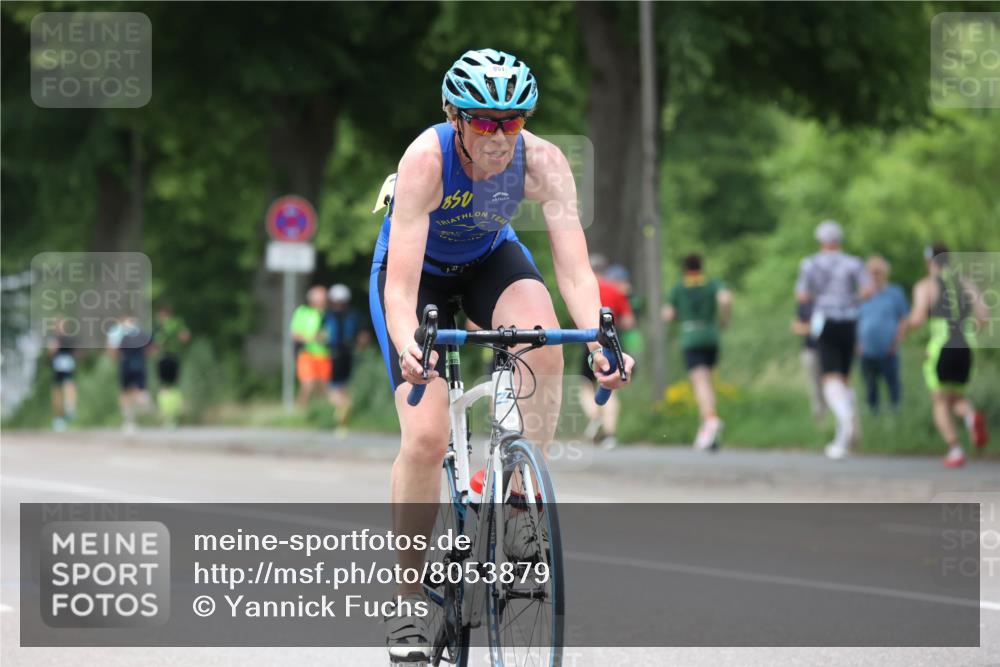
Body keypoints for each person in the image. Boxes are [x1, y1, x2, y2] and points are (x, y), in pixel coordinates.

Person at [369, 48, 634, 662]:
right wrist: (410, 346)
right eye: (484, 121)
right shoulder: (426, 160)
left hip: (490, 261)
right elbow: (400, 289)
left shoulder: (543, 162)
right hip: (419, 278)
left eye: (511, 121)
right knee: (426, 436)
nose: (498, 136)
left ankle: (518, 505)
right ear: (454, 117)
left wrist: (601, 340)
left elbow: (575, 269)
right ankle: (407, 602)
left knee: (544, 342)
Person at [795, 220, 873, 460]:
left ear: (821, 241)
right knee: (845, 378)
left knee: (830, 378)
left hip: (825, 320)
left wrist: (822, 298)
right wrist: (850, 299)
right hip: (849, 320)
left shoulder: (810, 263)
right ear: (839, 240)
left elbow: (802, 295)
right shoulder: (853, 262)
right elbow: (868, 290)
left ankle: (844, 417)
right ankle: (843, 437)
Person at [906, 244, 989, 467]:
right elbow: (984, 316)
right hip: (966, 344)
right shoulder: (965, 283)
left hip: (942, 345)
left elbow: (917, 319)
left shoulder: (926, 285)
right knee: (956, 397)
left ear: (928, 261)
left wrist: (903, 326)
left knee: (940, 400)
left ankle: (955, 449)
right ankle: (970, 416)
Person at [662, 253, 732, 451]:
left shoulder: (679, 288)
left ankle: (710, 419)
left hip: (691, 336)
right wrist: (724, 320)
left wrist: (677, 318)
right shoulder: (711, 284)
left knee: (700, 382)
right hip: (710, 335)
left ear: (684, 268)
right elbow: (725, 299)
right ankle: (708, 430)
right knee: (708, 381)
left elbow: (668, 314)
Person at [578, 262, 636, 449]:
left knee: (585, 384)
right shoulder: (616, 291)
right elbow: (628, 322)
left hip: (590, 340)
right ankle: (609, 434)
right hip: (613, 342)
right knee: (610, 385)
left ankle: (594, 416)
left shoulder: (584, 290)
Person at [857, 255, 909, 413]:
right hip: (866, 350)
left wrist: (896, 341)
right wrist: (856, 343)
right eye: (871, 272)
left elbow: (903, 319)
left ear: (885, 273)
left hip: (889, 349)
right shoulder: (861, 295)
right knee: (870, 386)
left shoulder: (895, 293)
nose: (874, 275)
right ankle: (873, 415)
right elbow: (853, 320)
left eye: (878, 272)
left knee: (893, 385)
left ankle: (896, 414)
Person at [323, 283, 368, 435]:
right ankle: (343, 408)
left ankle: (341, 409)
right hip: (339, 353)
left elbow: (362, 335)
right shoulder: (338, 315)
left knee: (335, 386)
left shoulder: (329, 315)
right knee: (340, 385)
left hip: (340, 353)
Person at [106, 315, 151, 435]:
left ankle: (129, 419)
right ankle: (143, 400)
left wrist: (114, 359)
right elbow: (150, 347)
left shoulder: (117, 331)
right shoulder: (140, 331)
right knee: (139, 389)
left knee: (125, 392)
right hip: (140, 363)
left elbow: (112, 348)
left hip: (125, 363)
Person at [290, 285, 331, 406]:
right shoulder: (302, 311)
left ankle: (317, 412)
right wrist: (311, 339)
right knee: (308, 384)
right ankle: (300, 410)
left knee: (323, 388)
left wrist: (324, 337)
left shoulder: (328, 314)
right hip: (306, 354)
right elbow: (295, 334)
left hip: (324, 355)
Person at [152, 304, 191, 427]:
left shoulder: (159, 325)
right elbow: (185, 336)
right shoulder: (177, 322)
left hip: (163, 356)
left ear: (162, 313)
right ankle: (176, 413)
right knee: (174, 386)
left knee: (164, 386)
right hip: (175, 356)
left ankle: (166, 414)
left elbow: (156, 343)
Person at [792, 301, 827, 424]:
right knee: (814, 387)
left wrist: (809, 327)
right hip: (810, 351)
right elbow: (797, 328)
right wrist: (812, 328)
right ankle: (820, 420)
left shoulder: (830, 303)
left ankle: (833, 418)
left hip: (828, 351)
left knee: (830, 385)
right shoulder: (805, 305)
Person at [46, 317, 77, 431]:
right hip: (58, 365)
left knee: (70, 386)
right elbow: (51, 352)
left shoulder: (68, 338)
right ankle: (59, 418)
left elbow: (74, 351)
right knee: (57, 391)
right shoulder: (53, 338)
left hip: (68, 364)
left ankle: (70, 408)